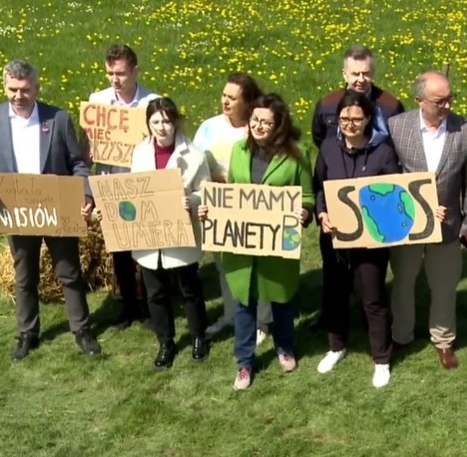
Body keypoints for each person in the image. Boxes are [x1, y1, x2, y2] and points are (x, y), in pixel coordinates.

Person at [0, 59, 101, 360]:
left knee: (69, 272)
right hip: (17, 210)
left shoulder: (58, 119)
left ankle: (82, 329)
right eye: (13, 90)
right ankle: (27, 333)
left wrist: (84, 192)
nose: (19, 96)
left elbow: (78, 163)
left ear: (36, 88)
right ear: (5, 87)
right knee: (24, 275)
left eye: (25, 90)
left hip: (57, 207)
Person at [200, 94, 314, 390]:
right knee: (244, 304)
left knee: (282, 301)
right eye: (254, 120)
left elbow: (307, 196)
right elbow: (231, 193)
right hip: (242, 246)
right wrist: (211, 211)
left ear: (279, 125)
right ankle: (244, 362)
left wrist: (304, 212)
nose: (259, 126)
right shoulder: (239, 150)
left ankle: (284, 347)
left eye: (266, 122)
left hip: (278, 245)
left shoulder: (298, 154)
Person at [104, 97, 211, 371]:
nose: (162, 127)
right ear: (148, 124)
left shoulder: (195, 155)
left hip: (181, 231)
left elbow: (205, 191)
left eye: (166, 121)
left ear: (175, 122)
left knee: (189, 289)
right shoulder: (140, 152)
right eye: (155, 122)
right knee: (155, 293)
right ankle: (165, 341)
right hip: (149, 235)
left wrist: (192, 201)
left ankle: (199, 336)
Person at [388, 71, 467, 370]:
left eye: (450, 98)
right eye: (439, 101)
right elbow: (388, 177)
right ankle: (401, 335)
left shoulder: (466, 130)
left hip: (448, 226)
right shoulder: (397, 127)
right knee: (403, 282)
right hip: (406, 225)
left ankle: (443, 340)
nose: (447, 106)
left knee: (444, 286)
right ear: (420, 101)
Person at [310, 44, 405, 331]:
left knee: (371, 267)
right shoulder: (327, 104)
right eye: (355, 74)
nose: (361, 79)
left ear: (373, 73)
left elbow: (398, 145)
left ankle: (370, 314)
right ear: (344, 73)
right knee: (334, 267)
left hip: (376, 194)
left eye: (366, 73)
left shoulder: (391, 105)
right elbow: (319, 139)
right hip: (338, 196)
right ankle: (330, 315)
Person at [313, 91, 401, 388]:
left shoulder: (383, 152)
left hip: (371, 240)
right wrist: (322, 213)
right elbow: (319, 186)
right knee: (335, 292)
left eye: (356, 119)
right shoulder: (328, 147)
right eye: (344, 118)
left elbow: (394, 193)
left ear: (368, 120)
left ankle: (382, 359)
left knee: (373, 298)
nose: (349, 124)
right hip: (335, 237)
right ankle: (336, 346)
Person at [194, 73, 272, 344]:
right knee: (225, 265)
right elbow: (196, 164)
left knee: (258, 265)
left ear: (248, 101)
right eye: (224, 95)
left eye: (232, 98)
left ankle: (262, 320)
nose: (225, 101)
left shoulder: (257, 128)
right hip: (220, 207)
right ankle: (230, 314)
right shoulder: (208, 128)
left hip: (253, 206)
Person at [88, 43, 160, 330]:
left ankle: (151, 307)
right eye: (110, 73)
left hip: (142, 184)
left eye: (120, 73)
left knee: (147, 248)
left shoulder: (152, 102)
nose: (114, 80)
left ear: (135, 71)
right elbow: (87, 145)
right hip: (112, 184)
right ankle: (128, 306)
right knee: (120, 251)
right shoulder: (98, 101)